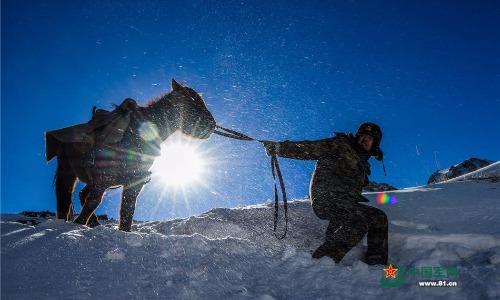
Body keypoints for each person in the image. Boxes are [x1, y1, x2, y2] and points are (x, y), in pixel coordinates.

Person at [263, 122, 388, 265]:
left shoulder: (362, 164)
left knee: (378, 217)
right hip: (326, 197)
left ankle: (376, 262)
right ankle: (320, 263)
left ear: (374, 144)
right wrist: (280, 148)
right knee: (357, 221)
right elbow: (309, 148)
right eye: (362, 136)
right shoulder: (340, 145)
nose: (365, 140)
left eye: (370, 138)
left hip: (345, 204)